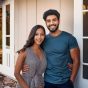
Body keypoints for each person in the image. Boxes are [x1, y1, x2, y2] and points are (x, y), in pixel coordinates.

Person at [23, 9, 80, 88]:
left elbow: (76, 60)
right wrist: (22, 65)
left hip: (65, 82)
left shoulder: (69, 38)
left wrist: (71, 80)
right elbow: (31, 51)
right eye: (48, 21)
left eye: (54, 20)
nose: (51, 23)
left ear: (59, 21)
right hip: (47, 81)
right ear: (46, 23)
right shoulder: (43, 39)